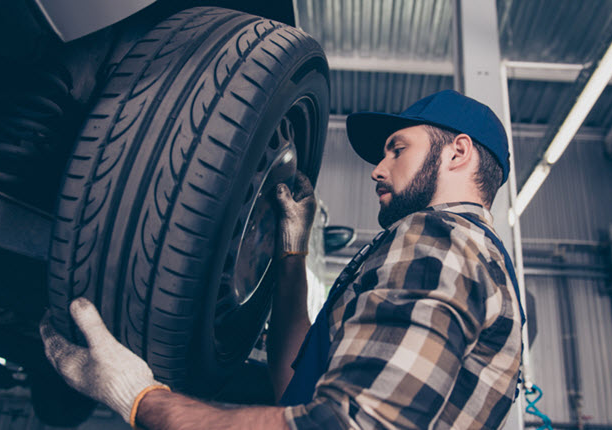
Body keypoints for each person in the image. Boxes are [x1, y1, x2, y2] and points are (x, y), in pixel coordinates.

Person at [40, 89, 524, 429]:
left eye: (397, 149)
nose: (377, 169)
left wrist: (141, 400)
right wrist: (292, 251)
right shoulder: (455, 252)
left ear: (457, 153)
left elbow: (345, 425)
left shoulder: (441, 239)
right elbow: (296, 387)